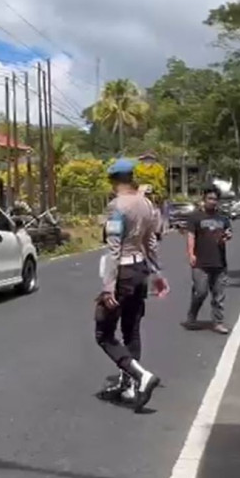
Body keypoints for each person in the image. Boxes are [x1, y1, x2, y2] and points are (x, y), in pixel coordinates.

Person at [95, 158, 169, 411]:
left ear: (113, 181)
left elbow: (114, 249)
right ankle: (129, 386)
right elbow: (151, 242)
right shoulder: (147, 204)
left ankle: (140, 377)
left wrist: (108, 287)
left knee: (103, 333)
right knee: (131, 329)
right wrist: (158, 273)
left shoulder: (116, 207)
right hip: (141, 271)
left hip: (123, 271)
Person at [183, 187, 233, 335]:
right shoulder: (195, 217)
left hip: (219, 262)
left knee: (219, 295)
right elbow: (190, 236)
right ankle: (192, 316)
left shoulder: (223, 218)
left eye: (215, 199)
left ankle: (218, 322)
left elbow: (228, 233)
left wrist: (227, 236)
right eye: (209, 198)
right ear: (204, 199)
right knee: (201, 292)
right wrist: (191, 254)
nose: (212, 202)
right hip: (200, 262)